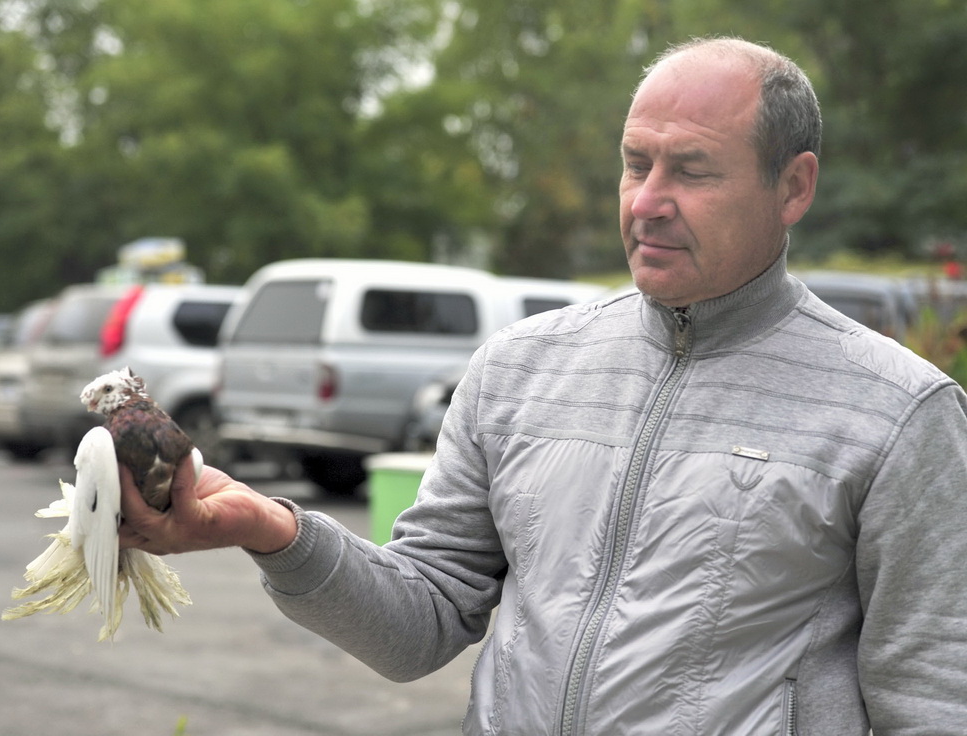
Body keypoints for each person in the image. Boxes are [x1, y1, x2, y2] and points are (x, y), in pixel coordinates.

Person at [119, 37, 967, 734]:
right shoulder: (521, 367)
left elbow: (932, 702)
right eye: (637, 165)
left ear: (794, 186)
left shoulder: (898, 413)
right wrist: (268, 528)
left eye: (693, 171)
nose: (648, 202)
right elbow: (420, 621)